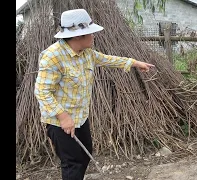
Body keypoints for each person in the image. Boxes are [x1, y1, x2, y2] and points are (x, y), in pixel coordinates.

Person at [34, 9, 154, 180]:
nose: (94, 36)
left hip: (80, 116)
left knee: (85, 154)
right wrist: (63, 116)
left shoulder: (86, 53)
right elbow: (41, 91)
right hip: (60, 121)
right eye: (90, 33)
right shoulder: (53, 57)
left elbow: (107, 59)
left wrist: (134, 63)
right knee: (73, 162)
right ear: (77, 36)